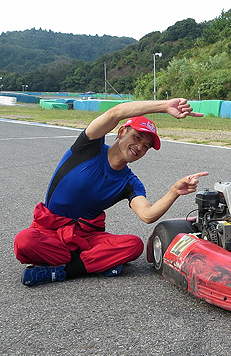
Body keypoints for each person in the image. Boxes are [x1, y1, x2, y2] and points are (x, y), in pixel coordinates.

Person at [14, 98, 208, 286]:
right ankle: (93, 263)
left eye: (146, 146)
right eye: (137, 137)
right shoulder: (88, 147)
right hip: (49, 230)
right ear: (122, 131)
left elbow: (147, 215)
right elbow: (116, 113)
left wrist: (174, 191)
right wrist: (164, 106)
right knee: (24, 241)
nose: (139, 147)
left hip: (86, 238)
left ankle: (61, 271)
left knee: (133, 245)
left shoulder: (129, 182)